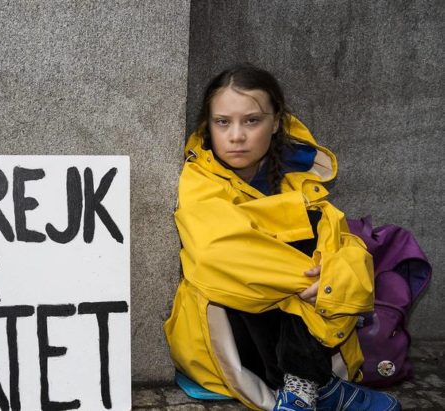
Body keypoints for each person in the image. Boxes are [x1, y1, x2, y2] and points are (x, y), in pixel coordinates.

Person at [163, 64, 401, 411]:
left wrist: (332, 279)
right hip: (234, 336)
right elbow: (221, 254)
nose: (236, 136)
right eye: (223, 122)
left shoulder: (298, 179)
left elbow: (347, 248)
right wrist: (317, 281)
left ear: (275, 123)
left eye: (252, 121)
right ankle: (313, 384)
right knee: (276, 258)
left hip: (296, 337)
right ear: (208, 125)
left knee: (316, 239)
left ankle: (306, 385)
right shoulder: (200, 178)